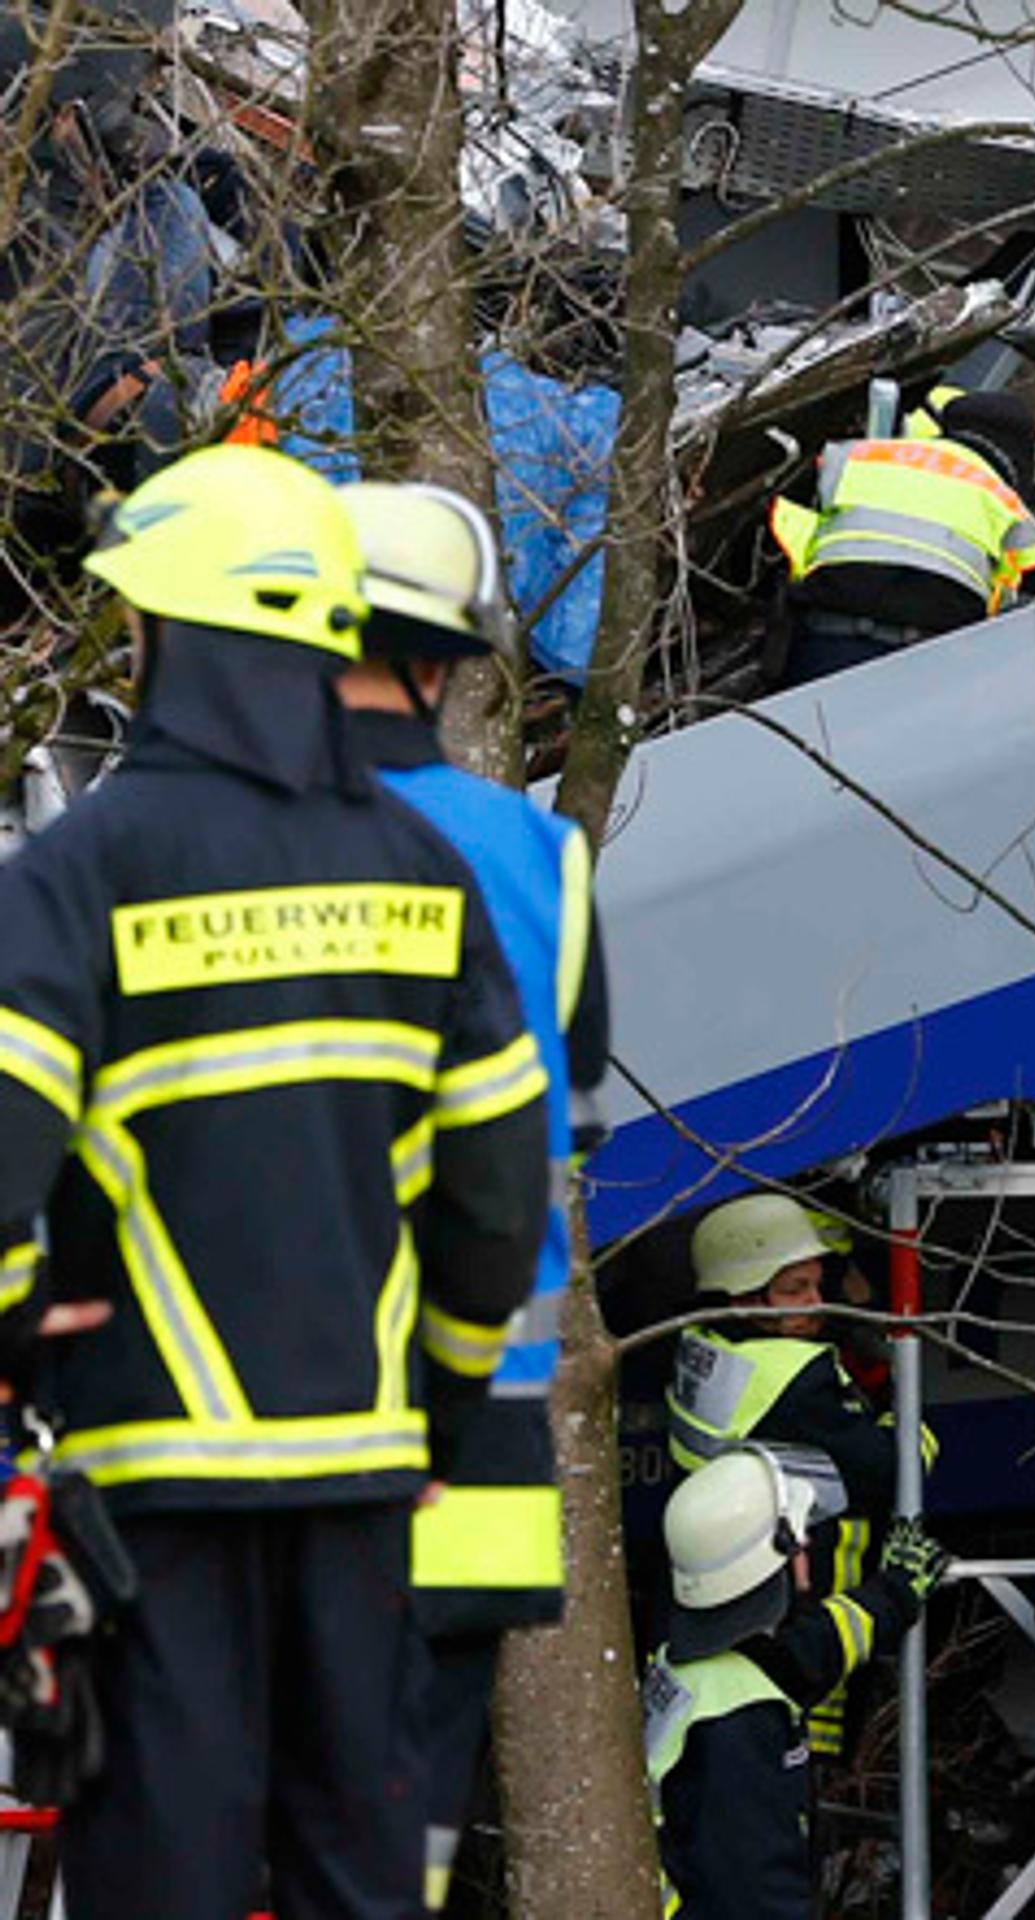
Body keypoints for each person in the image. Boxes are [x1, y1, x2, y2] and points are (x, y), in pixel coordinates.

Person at [0, 444, 549, 1920]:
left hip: (151, 1483)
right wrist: (434, 1397)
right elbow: (495, 1200)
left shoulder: (84, 872)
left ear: (174, 638)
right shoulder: (422, 877)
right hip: (362, 1478)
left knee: (164, 1878)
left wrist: (20, 1345)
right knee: (359, 1880)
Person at [334, 478, 614, 1913]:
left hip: (263, 1423)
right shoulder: (540, 859)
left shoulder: (217, 849)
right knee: (409, 1842)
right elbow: (580, 1101)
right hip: (483, 1432)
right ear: (451, 663)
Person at [669, 1189, 934, 1755]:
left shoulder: (704, 1348)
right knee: (798, 1768)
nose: (818, 1303)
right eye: (796, 1290)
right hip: (802, 1605)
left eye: (818, 1284)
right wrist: (907, 1420)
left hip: (733, 1600)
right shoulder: (796, 1375)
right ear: (743, 1297)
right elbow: (892, 1469)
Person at [646, 1446, 949, 1919]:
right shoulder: (739, 1723)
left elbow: (812, 1651)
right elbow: (758, 1897)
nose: (809, 1542)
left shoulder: (697, 1662)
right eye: (800, 1534)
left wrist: (894, 1592)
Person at [767, 387, 1035, 687]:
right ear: (1019, 456)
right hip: (921, 670)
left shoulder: (858, 455)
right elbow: (1028, 605)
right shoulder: (1006, 502)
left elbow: (786, 514)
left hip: (825, 642)